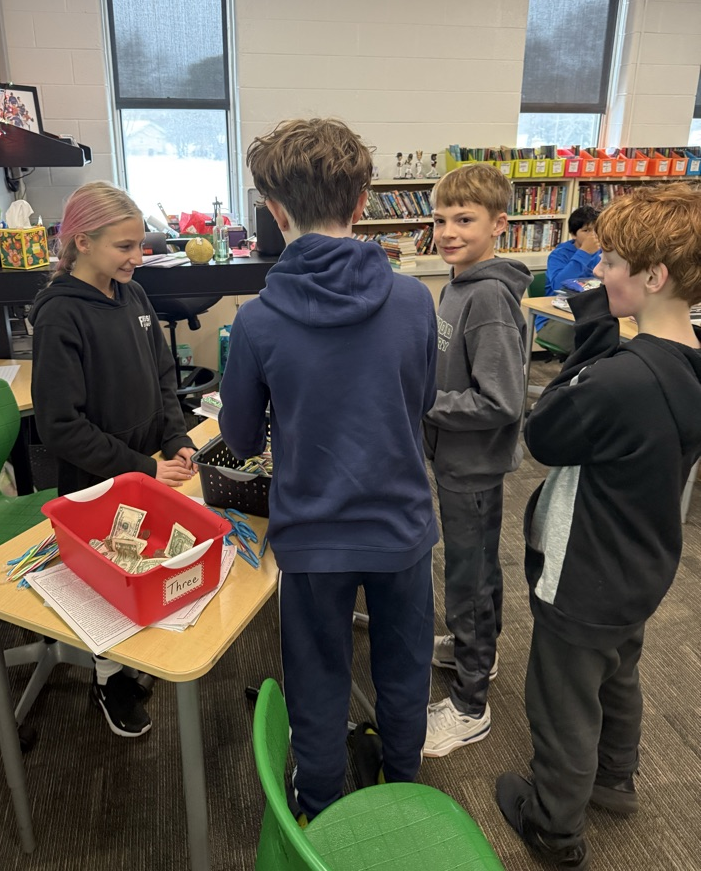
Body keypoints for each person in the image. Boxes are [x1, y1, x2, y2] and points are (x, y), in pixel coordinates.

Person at [218, 118, 438, 822]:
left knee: (317, 678)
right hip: (401, 525)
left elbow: (243, 437)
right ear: (363, 199)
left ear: (274, 210)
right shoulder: (413, 300)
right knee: (403, 673)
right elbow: (421, 400)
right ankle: (402, 789)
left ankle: (320, 804)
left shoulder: (256, 320)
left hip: (311, 535)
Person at [496, 183, 701, 871]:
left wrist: (589, 339)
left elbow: (545, 435)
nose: (599, 272)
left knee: (562, 702)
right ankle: (615, 779)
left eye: (611, 262)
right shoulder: (689, 362)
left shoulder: (621, 377)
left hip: (584, 574)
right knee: (620, 674)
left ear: (654, 276)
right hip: (642, 566)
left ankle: (555, 828)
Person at [30, 180, 197, 738]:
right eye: (124, 247)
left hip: (146, 464)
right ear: (81, 242)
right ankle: (108, 678)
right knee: (106, 581)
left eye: (139, 244)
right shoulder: (60, 316)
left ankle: (134, 657)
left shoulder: (135, 295)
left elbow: (164, 378)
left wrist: (176, 440)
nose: (137, 257)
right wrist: (142, 468)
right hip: (96, 480)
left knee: (144, 566)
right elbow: (60, 428)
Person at [422, 163, 532, 758]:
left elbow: (501, 400)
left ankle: (470, 704)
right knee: (475, 568)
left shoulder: (486, 295)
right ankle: (476, 652)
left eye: (465, 220)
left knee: (467, 576)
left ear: (499, 225)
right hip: (457, 458)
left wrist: (426, 402)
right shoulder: (457, 284)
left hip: (473, 465)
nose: (448, 231)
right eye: (440, 219)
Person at [534, 205, 601, 352]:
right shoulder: (559, 255)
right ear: (573, 233)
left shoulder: (605, 254)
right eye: (586, 230)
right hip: (554, 318)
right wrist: (584, 253)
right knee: (594, 343)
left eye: (597, 230)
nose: (593, 236)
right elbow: (559, 285)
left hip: (590, 314)